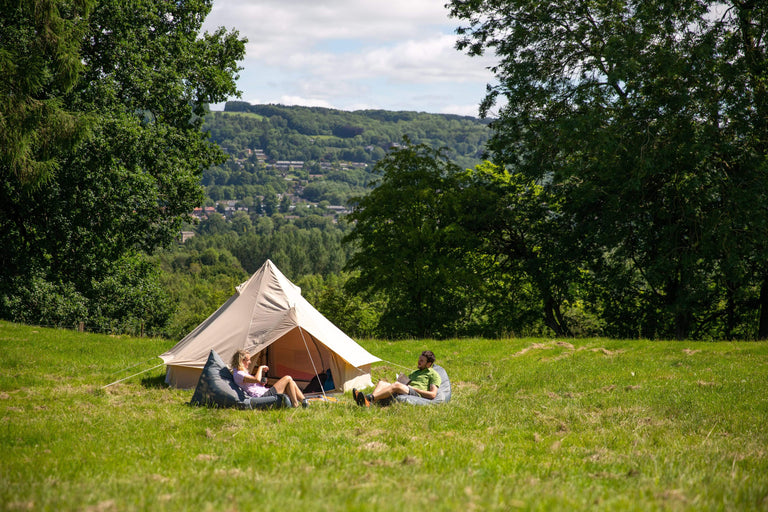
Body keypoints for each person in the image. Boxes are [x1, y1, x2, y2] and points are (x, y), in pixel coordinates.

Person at [353, 350, 441, 407]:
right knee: (382, 383)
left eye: (422, 361)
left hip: (417, 394)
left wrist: (413, 388)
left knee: (396, 385)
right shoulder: (414, 372)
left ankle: (369, 398)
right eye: (419, 359)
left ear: (429, 364)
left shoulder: (433, 374)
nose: (419, 362)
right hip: (407, 389)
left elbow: (432, 394)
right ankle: (370, 404)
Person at [230, 350, 308, 408]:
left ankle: (304, 402)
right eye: (248, 360)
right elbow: (256, 379)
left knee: (291, 382)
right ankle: (296, 404)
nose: (250, 362)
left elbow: (252, 383)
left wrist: (260, 384)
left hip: (263, 392)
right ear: (241, 361)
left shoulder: (240, 373)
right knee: (288, 378)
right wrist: (260, 368)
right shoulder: (239, 374)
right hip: (262, 396)